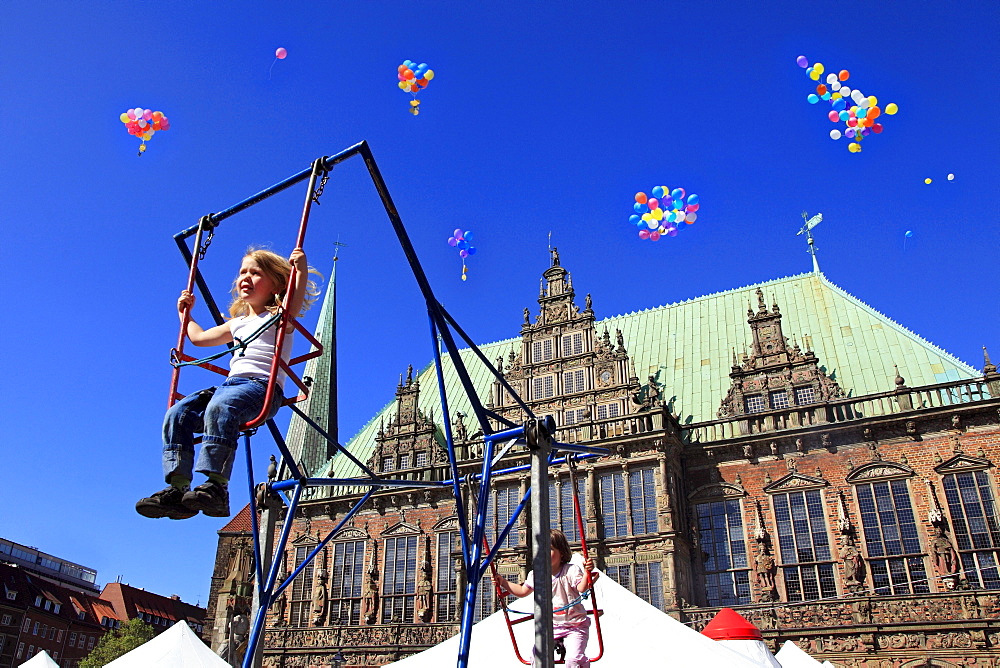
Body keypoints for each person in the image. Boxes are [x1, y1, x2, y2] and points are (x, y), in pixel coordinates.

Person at [136, 247, 317, 519]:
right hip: (230, 386)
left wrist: (300, 270)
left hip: (261, 388)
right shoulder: (237, 323)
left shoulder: (279, 317)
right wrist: (185, 315)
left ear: (277, 284)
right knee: (178, 414)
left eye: (256, 273)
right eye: (243, 272)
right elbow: (199, 339)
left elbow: (293, 299)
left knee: (221, 407)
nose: (245, 277)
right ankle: (177, 487)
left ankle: (217, 486)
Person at [493, 529, 599, 668]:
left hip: (575, 625)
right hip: (551, 627)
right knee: (536, 657)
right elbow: (522, 591)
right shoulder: (537, 574)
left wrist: (587, 573)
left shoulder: (570, 571)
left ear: (561, 553)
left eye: (550, 549)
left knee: (573, 660)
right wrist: (503, 583)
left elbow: (582, 588)